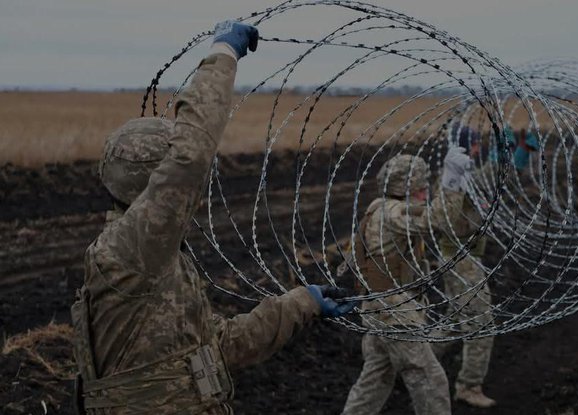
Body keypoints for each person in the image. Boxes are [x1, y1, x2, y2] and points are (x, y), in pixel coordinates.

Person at [70, 20, 354, 414]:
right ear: (156, 185)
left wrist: (302, 303)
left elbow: (216, 351)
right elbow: (189, 157)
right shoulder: (129, 250)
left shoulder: (161, 260)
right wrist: (222, 55)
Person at [341, 148, 471, 415]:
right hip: (394, 314)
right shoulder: (392, 214)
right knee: (429, 379)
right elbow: (436, 220)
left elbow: (430, 210)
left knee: (374, 382)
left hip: (381, 309)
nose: (426, 192)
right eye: (423, 186)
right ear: (409, 187)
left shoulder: (382, 207)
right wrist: (451, 181)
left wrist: (453, 184)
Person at [432, 125, 498, 408]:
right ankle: (469, 386)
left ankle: (415, 357)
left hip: (461, 257)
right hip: (461, 260)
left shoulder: (464, 173)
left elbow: (489, 176)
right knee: (482, 324)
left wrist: (515, 155)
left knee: (456, 321)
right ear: (469, 146)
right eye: (477, 144)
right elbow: (448, 216)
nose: (478, 148)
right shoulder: (454, 177)